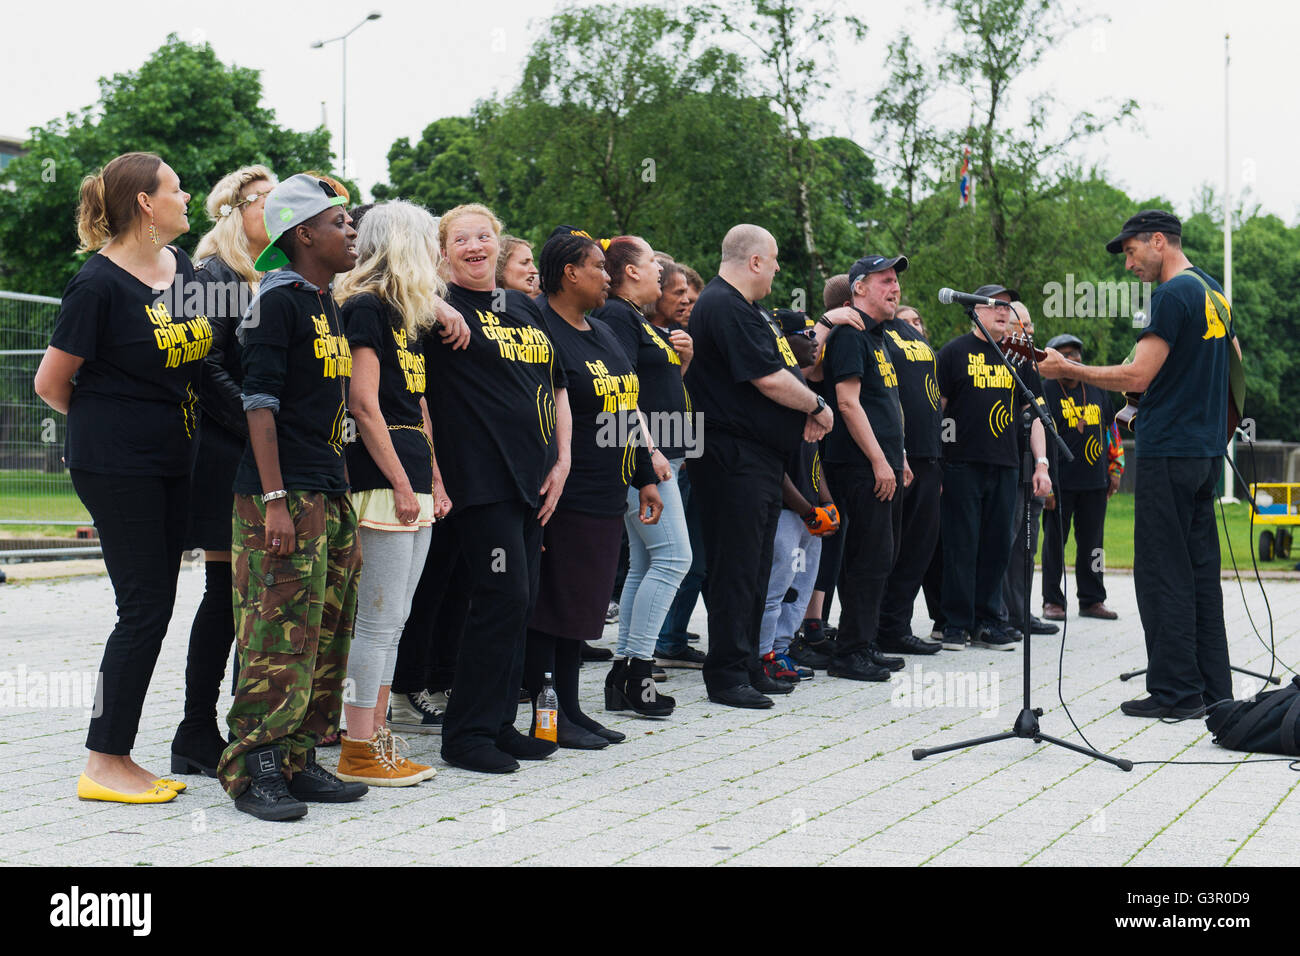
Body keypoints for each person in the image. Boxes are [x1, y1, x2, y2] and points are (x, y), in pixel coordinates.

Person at [35, 152, 209, 804]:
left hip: (173, 460)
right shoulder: (96, 285)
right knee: (142, 610)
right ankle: (103, 761)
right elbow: (51, 384)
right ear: (145, 202)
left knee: (155, 608)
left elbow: (208, 353)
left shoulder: (183, 267)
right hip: (115, 466)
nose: (186, 195)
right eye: (175, 187)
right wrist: (109, 427)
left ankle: (118, 753)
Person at [1038, 209, 1238, 718]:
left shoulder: (1172, 294)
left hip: (1169, 449)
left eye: (1131, 251)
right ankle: (1215, 688)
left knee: (1160, 571)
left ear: (1158, 241)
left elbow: (1140, 375)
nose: (1128, 264)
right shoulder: (1214, 291)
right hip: (1204, 453)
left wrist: (1068, 368)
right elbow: (1235, 363)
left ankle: (1175, 692)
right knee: (1198, 572)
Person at [217, 173, 366, 821]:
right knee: (277, 634)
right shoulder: (276, 302)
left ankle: (301, 759)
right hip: (282, 492)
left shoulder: (324, 300)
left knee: (327, 631)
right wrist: (274, 497)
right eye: (340, 222)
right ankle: (255, 769)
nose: (352, 229)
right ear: (303, 234)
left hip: (328, 489)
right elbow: (259, 404)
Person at [427, 203, 572, 772]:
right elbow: (377, 290)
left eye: (484, 236)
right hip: (478, 480)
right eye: (460, 239)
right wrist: (435, 297)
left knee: (521, 603)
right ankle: (465, 737)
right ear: (443, 253)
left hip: (534, 479)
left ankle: (497, 725)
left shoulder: (521, 309)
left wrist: (563, 460)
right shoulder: (434, 310)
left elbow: (557, 386)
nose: (475, 246)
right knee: (499, 598)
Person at [684, 224, 837, 708]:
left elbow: (785, 368)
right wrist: (817, 406)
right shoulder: (723, 305)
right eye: (772, 260)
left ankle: (750, 662)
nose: (776, 268)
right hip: (730, 456)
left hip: (761, 459)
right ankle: (726, 674)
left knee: (755, 567)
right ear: (753, 261)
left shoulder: (752, 311)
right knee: (735, 568)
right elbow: (770, 379)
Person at [332, 200, 453, 785]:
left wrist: (434, 481)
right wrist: (406, 483)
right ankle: (357, 745)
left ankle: (375, 736)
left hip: (410, 475)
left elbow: (419, 405)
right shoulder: (365, 307)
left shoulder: (409, 314)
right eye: (430, 239)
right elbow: (363, 404)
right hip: (380, 480)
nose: (438, 250)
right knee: (376, 623)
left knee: (396, 619)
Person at [527, 229, 664, 745]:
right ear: (569, 273)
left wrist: (645, 477)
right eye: (598, 268)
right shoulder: (540, 325)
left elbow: (626, 407)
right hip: (567, 492)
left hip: (609, 491)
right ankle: (549, 717)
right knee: (554, 609)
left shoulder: (601, 332)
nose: (607, 277)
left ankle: (573, 709)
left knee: (582, 610)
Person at [170, 164, 276, 778]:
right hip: (223, 456)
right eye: (265, 200)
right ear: (235, 209)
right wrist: (261, 428)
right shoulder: (211, 276)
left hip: (258, 453)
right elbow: (204, 368)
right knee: (224, 596)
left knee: (254, 597)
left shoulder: (275, 279)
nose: (278, 209)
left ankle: (244, 722)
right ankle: (195, 727)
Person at [591, 237, 699, 682]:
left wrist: (684, 362)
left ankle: (628, 665)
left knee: (646, 562)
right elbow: (618, 394)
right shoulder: (617, 314)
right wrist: (649, 451)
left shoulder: (634, 317)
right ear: (631, 271)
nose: (662, 270)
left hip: (661, 455)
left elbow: (657, 388)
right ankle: (636, 664)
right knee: (675, 559)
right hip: (643, 459)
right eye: (653, 262)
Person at [935, 284, 1051, 652]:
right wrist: (937, 458)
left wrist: (1042, 464)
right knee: (961, 545)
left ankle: (988, 621)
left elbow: (1034, 415)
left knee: (998, 545)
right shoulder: (954, 353)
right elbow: (938, 407)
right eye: (994, 306)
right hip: (961, 464)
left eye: (1007, 307)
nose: (1003, 312)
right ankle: (954, 623)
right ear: (977, 311)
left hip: (1006, 465)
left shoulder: (1019, 357)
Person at [821, 256, 908, 681]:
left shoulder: (879, 337)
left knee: (881, 557)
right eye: (886, 281)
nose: (896, 288)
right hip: (858, 466)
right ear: (858, 288)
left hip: (886, 464)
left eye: (897, 282)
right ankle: (849, 652)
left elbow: (886, 403)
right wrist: (878, 461)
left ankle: (864, 642)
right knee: (867, 558)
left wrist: (901, 458)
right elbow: (848, 403)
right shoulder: (850, 335)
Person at [758, 309, 839, 682]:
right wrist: (807, 510)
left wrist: (827, 503)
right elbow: (775, 468)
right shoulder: (780, 398)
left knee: (799, 588)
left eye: (814, 331)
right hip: (789, 514)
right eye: (805, 332)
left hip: (811, 513)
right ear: (783, 340)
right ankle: (764, 654)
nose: (814, 340)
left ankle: (785, 648)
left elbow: (814, 460)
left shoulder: (809, 396)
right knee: (776, 587)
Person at [874, 296, 945, 656]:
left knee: (920, 547)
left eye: (919, 320)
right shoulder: (879, 335)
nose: (914, 323)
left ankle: (897, 625)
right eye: (908, 318)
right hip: (899, 456)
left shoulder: (920, 344)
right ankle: (876, 626)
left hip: (930, 456)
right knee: (889, 547)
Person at [1039, 333, 1120, 623]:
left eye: (1075, 353)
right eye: (1064, 354)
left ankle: (1092, 600)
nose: (1071, 359)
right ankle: (1052, 601)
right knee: (1053, 545)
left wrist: (1116, 467)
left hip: (1095, 483)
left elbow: (1112, 430)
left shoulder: (1096, 388)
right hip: (1058, 485)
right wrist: (1043, 480)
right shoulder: (1043, 390)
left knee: (1093, 545)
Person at [999, 301, 1058, 638]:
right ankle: (999, 612)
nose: (1030, 331)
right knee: (1005, 541)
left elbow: (1038, 415)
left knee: (1027, 543)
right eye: (1024, 324)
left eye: (1031, 324)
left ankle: (1022, 612)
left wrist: (1043, 463)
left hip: (1032, 465)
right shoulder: (997, 359)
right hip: (1005, 463)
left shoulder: (1028, 364)